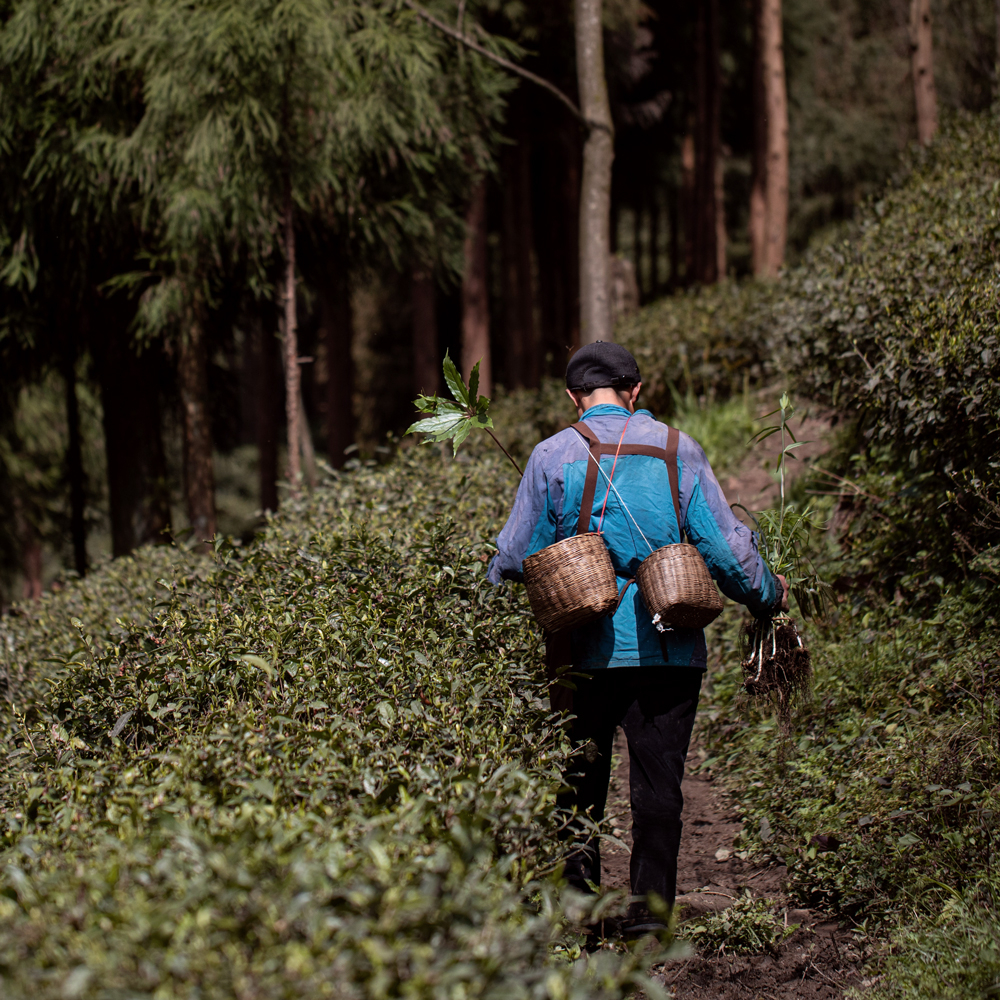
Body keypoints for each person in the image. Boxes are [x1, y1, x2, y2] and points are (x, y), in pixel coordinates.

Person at [487, 341, 787, 939]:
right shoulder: (681, 450)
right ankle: (649, 926)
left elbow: (513, 559)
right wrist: (769, 595)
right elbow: (728, 554)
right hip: (669, 649)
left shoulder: (551, 456)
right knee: (658, 793)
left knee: (578, 792)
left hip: (581, 653)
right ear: (637, 390)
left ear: (573, 396)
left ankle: (580, 921)